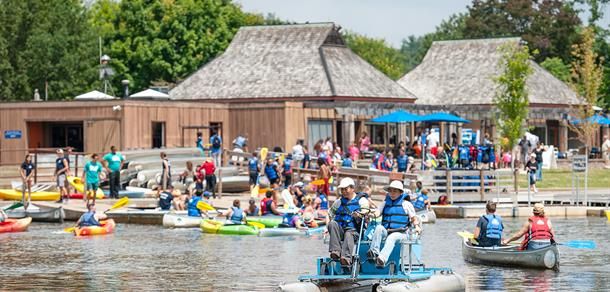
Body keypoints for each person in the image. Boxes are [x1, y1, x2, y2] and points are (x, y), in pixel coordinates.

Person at [368, 180, 419, 267]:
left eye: (395, 191)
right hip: (387, 231)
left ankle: (382, 259)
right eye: (390, 191)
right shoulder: (385, 203)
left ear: (400, 192)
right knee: (379, 228)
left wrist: (417, 227)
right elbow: (377, 213)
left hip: (401, 233)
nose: (392, 193)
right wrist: (370, 215)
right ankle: (374, 252)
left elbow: (414, 218)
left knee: (392, 237)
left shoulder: (406, 204)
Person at [326, 177, 369, 266]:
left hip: (355, 232)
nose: (344, 191)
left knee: (349, 233)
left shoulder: (362, 201)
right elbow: (329, 214)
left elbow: (366, 216)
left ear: (352, 188)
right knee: (332, 223)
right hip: (341, 231)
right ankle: (335, 251)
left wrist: (359, 215)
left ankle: (346, 258)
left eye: (346, 189)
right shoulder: (338, 202)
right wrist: (327, 227)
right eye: (342, 189)